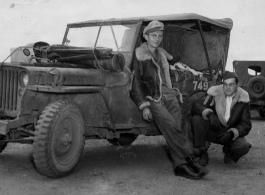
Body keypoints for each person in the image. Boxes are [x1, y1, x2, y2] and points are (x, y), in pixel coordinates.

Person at [130, 20, 209, 179]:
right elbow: (136, 82)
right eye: (153, 35)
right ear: (146, 36)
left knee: (178, 125)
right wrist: (144, 106)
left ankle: (179, 165)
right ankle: (191, 160)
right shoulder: (139, 55)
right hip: (153, 97)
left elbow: (166, 77)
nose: (157, 39)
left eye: (160, 36)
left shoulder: (161, 54)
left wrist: (173, 92)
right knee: (171, 126)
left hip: (168, 95)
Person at [191, 71, 252, 166]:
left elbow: (246, 124)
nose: (228, 88)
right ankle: (203, 153)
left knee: (243, 146)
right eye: (225, 84)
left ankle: (229, 153)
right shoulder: (214, 93)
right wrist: (210, 114)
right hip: (214, 129)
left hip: (229, 133)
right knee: (196, 119)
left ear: (237, 85)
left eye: (231, 84)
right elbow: (197, 105)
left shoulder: (243, 98)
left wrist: (232, 134)